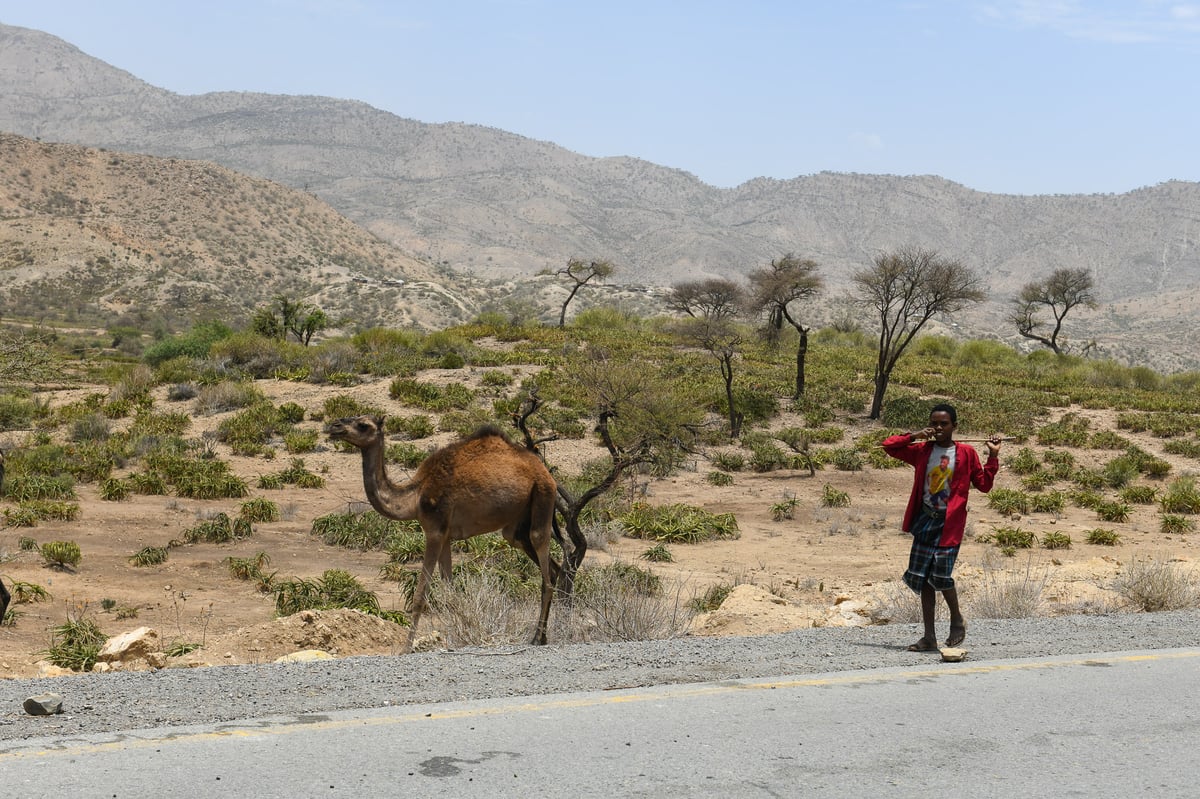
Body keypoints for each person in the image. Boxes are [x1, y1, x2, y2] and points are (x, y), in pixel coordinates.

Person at [881, 403, 1001, 652]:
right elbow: (889, 446)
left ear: (954, 426)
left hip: (950, 523)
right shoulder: (922, 450)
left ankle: (956, 620)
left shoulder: (966, 453)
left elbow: (984, 485)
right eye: (934, 423)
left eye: (943, 423)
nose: (937, 428)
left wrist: (993, 456)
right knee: (923, 579)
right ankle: (929, 637)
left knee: (941, 576)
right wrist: (914, 436)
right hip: (925, 520)